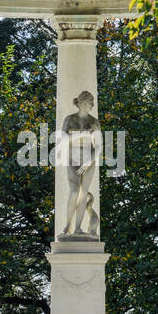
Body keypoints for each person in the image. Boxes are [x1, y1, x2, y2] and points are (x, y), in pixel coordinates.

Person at [59, 90, 101, 237]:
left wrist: (88, 162)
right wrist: (82, 135)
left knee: (83, 194)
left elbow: (99, 146)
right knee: (74, 192)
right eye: (91, 103)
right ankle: (68, 225)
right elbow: (63, 140)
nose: (93, 106)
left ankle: (78, 228)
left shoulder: (94, 122)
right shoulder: (69, 119)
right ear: (83, 104)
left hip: (89, 161)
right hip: (72, 159)